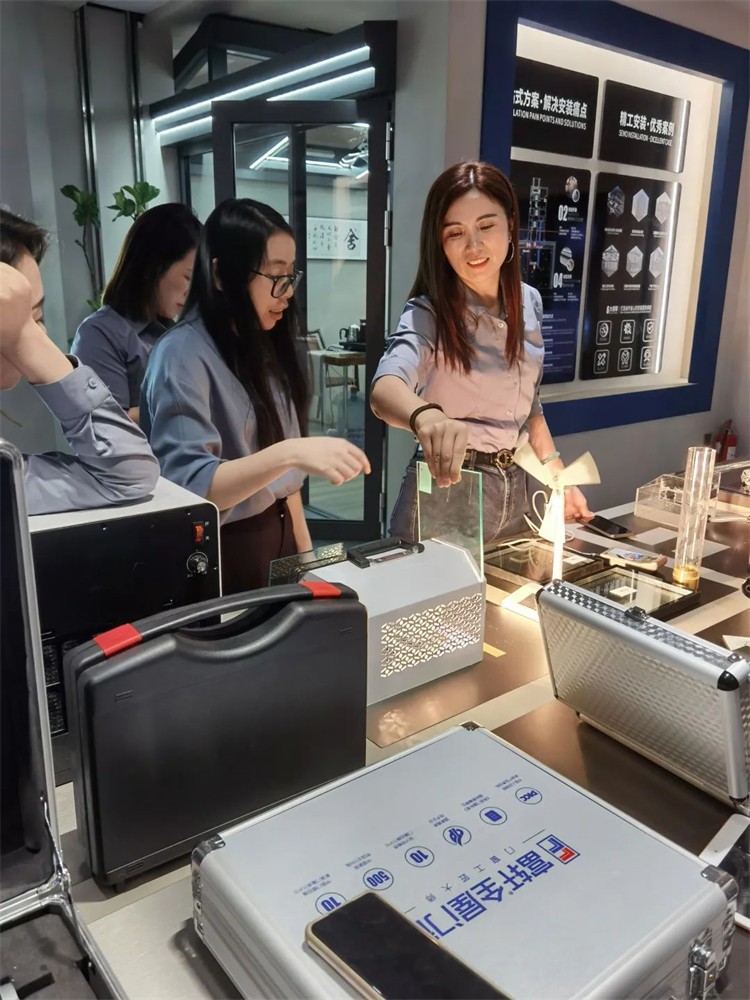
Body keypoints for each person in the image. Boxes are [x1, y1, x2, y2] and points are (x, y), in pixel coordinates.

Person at [141, 198, 370, 594]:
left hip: (280, 534)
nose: (287, 293)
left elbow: (287, 488)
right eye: (275, 276)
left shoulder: (262, 344)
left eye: (291, 275)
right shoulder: (181, 355)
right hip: (224, 551)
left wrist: (308, 563)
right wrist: (290, 453)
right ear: (220, 274)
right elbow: (194, 488)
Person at [370, 161, 592, 545]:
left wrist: (559, 478)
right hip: (449, 488)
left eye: (486, 226)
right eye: (455, 233)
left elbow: (529, 407)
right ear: (440, 243)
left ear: (510, 225)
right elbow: (384, 387)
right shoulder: (428, 313)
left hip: (519, 487)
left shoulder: (529, 301)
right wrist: (425, 416)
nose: (473, 247)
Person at [0, 208, 159, 515]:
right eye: (26, 316)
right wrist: (24, 336)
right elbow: (127, 476)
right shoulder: (102, 329)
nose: (40, 336)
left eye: (37, 317)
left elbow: (132, 475)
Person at [71, 203, 201, 422]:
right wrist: (189, 405)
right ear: (155, 266)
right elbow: (106, 424)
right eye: (188, 277)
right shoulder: (100, 333)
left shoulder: (174, 329)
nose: (193, 291)